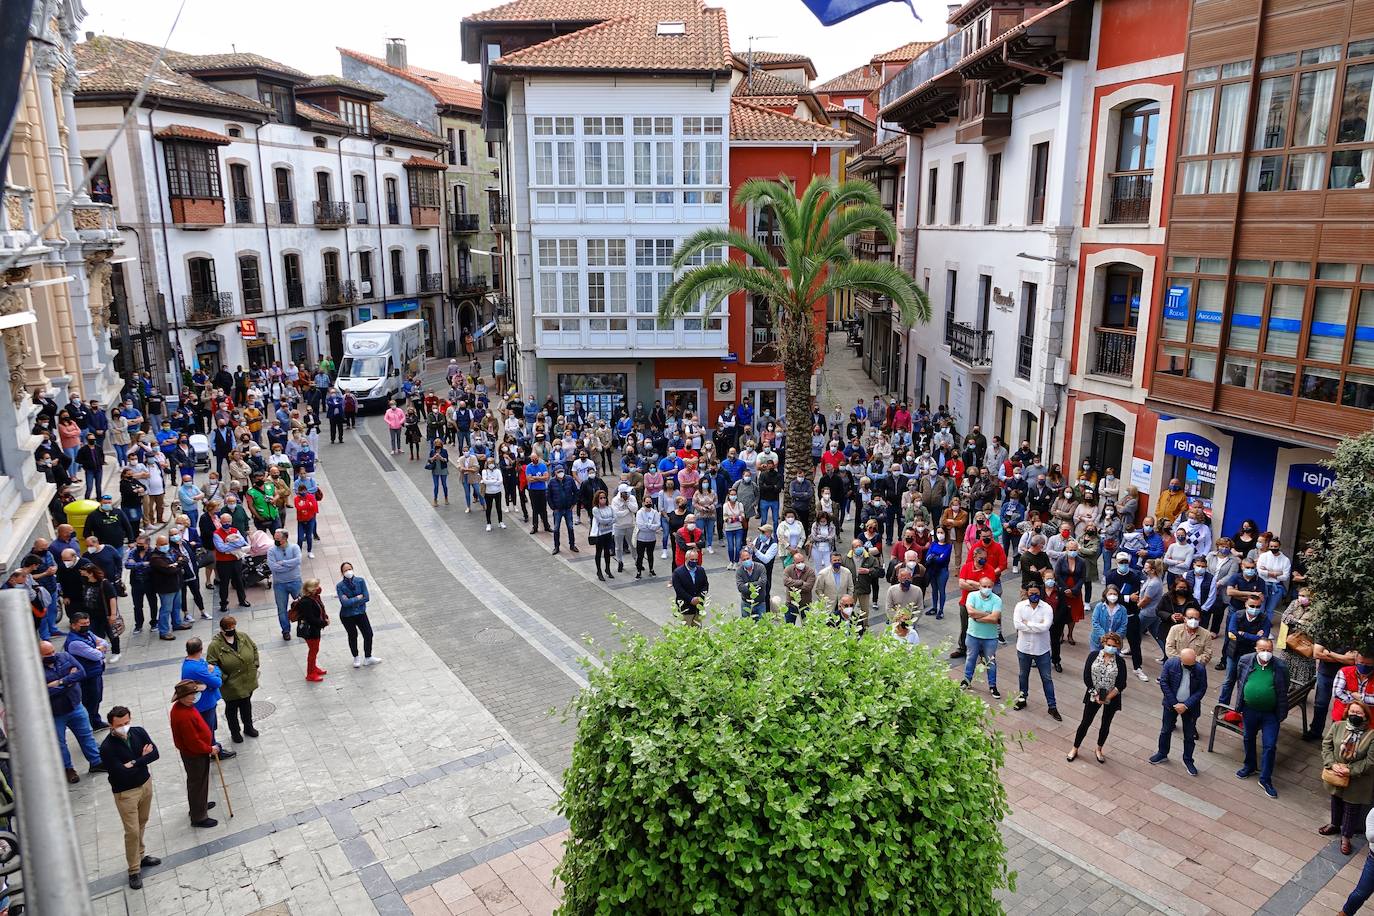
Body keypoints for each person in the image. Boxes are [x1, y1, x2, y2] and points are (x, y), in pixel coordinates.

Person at [99, 706, 162, 888]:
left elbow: (155, 754)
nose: (124, 727)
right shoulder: (107, 747)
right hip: (126, 793)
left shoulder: (138, 732)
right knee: (132, 831)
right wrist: (142, 758)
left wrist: (134, 762)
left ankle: (141, 855)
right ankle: (134, 870)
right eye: (119, 725)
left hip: (145, 784)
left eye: (126, 722)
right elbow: (121, 773)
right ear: (111, 725)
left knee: (142, 822)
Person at [43, 639, 106, 783]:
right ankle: (68, 769)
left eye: (53, 651)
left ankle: (96, 762)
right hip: (55, 713)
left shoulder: (64, 657)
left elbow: (81, 673)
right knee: (60, 743)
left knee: (86, 735)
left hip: (75, 706)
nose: (52, 655)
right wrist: (69, 680)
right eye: (47, 654)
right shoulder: (35, 670)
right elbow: (42, 691)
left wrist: (60, 682)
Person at [1234, 637, 1289, 798]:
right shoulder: (1245, 660)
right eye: (1263, 650)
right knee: (1248, 738)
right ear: (1256, 649)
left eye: (1269, 650)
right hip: (1249, 710)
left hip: (1270, 713)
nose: (1266, 653)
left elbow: (1284, 687)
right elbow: (1240, 680)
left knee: (1270, 745)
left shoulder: (1280, 666)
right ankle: (1249, 766)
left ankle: (1265, 778)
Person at [1322, 699, 1374, 855]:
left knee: (1352, 809)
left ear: (1365, 715)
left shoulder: (1371, 736)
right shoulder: (1338, 726)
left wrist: (1349, 770)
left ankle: (1346, 837)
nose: (1355, 715)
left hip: (1358, 779)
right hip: (1336, 774)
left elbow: (1370, 761)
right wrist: (1332, 764)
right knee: (1336, 800)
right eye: (1352, 712)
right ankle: (1334, 824)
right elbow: (1327, 745)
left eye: (1358, 712)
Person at [1068, 632, 1127, 764]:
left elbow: (1122, 683)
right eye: (1109, 645)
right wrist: (1095, 694)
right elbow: (1086, 677)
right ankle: (1075, 747)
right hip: (1093, 695)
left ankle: (1099, 749)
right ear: (1104, 643)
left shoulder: (1120, 662)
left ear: (1118, 646)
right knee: (1085, 722)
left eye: (1114, 646)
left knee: (1106, 724)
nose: (1111, 648)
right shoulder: (1093, 656)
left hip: (1111, 697)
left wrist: (1107, 697)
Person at [1148, 648, 1208, 776]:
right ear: (1180, 659)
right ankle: (1162, 753)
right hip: (1171, 705)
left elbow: (1202, 689)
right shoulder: (1170, 664)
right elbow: (1164, 682)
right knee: (1165, 730)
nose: (1190, 667)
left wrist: (1186, 705)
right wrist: (1174, 703)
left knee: (1189, 735)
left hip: (1190, 707)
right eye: (1187, 665)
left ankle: (1188, 760)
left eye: (1192, 664)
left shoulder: (1200, 669)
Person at [168, 679, 219, 827]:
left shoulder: (184, 707)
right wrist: (210, 749)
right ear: (184, 697)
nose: (196, 696)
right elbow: (193, 742)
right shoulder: (183, 716)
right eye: (193, 694)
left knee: (199, 782)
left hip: (195, 752)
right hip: (195, 755)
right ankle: (199, 817)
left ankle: (200, 805)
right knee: (197, 783)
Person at [206, 616, 260, 743]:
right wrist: (225, 678)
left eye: (233, 627)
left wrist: (255, 664)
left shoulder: (243, 637)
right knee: (231, 709)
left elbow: (254, 648)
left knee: (246, 704)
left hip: (247, 681)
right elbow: (211, 665)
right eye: (228, 628)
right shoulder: (215, 646)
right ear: (222, 629)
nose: (231, 630)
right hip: (230, 686)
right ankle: (235, 732)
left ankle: (248, 727)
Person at [180, 637, 235, 760]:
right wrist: (214, 671)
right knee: (207, 729)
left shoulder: (194, 662)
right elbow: (217, 682)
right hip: (204, 705)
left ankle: (213, 748)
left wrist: (211, 672)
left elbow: (210, 669)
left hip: (206, 702)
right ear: (200, 649)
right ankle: (214, 751)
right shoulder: (197, 668)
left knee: (210, 728)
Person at [1013, 582, 1060, 720]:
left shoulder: (1047, 608)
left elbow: (1045, 627)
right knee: (1023, 675)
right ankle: (1022, 699)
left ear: (1041, 593)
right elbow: (1017, 625)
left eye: (1036, 594)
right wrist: (1036, 626)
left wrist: (1028, 623)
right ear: (1027, 593)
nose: (1034, 596)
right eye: (1031, 593)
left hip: (1042, 649)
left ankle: (1052, 706)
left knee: (1047, 678)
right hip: (1024, 648)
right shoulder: (1020, 606)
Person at [64, 611, 110, 730]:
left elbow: (105, 643)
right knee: (90, 701)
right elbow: (96, 655)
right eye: (83, 624)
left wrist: (98, 648)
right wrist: (99, 649)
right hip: (87, 676)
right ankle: (90, 724)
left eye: (87, 622)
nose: (86, 625)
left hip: (95, 673)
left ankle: (95, 721)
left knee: (97, 698)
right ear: (73, 625)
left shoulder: (87, 633)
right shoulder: (75, 642)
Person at [961, 576, 1001, 697]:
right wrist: (987, 614)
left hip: (990, 637)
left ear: (992, 587)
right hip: (973, 634)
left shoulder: (997, 599)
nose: (986, 589)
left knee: (991, 662)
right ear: (979, 586)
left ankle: (992, 686)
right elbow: (970, 612)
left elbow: (995, 618)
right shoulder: (972, 596)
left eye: (989, 586)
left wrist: (978, 618)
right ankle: (966, 680)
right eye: (984, 586)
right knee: (970, 659)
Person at [336, 562, 380, 668]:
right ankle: (356, 657)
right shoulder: (340, 586)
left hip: (360, 612)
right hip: (347, 615)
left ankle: (368, 657)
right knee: (353, 635)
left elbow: (366, 597)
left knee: (368, 634)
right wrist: (357, 598)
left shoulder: (360, 581)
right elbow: (345, 603)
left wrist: (351, 600)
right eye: (345, 570)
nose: (348, 572)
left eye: (349, 569)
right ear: (342, 573)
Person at [211, 513, 251, 614]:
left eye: (228, 522)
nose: (227, 524)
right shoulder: (216, 533)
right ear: (221, 522)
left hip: (236, 560)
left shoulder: (235, 530)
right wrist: (235, 545)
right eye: (224, 522)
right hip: (223, 563)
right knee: (224, 584)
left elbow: (242, 542)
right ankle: (223, 603)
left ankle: (242, 600)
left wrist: (228, 544)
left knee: (239, 581)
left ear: (231, 521)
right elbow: (221, 548)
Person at [267, 529, 302, 641]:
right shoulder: (271, 551)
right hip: (279, 584)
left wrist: (283, 563)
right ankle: (286, 631)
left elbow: (298, 560)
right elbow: (273, 567)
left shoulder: (294, 547)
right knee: (282, 609)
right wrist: (290, 567)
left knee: (302, 604)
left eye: (278, 539)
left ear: (285, 538)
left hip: (295, 581)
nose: (276, 541)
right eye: (275, 538)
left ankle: (303, 625)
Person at [293, 579, 330, 681]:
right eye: (316, 586)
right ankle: (310, 673)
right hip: (310, 630)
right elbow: (311, 618)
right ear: (310, 589)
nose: (318, 588)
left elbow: (320, 610)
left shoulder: (315, 597)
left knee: (315, 650)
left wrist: (325, 617)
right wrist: (324, 623)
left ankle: (314, 668)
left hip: (315, 628)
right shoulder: (306, 602)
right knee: (313, 651)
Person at [671, 549, 709, 626]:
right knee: (685, 630)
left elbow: (705, 585)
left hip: (698, 608)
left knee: (697, 630)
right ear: (686, 559)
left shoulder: (701, 570)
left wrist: (699, 598)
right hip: (685, 608)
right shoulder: (677, 573)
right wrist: (690, 599)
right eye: (692, 559)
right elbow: (679, 590)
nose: (694, 561)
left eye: (696, 560)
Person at [548, 464, 579, 555]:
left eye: (562, 471)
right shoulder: (552, 482)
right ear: (555, 473)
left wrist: (573, 504)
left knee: (570, 527)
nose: (560, 473)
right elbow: (548, 496)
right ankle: (556, 547)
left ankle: (572, 545)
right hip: (557, 510)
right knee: (556, 528)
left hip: (568, 508)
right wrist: (553, 507)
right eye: (558, 472)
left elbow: (576, 492)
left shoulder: (569, 479)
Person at [783, 550, 815, 624]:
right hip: (791, 604)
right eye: (798, 562)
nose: (801, 564)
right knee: (789, 626)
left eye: (802, 562)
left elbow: (808, 587)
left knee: (807, 626)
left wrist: (792, 586)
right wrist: (801, 582)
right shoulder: (788, 569)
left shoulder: (810, 571)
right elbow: (785, 582)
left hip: (805, 604)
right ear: (793, 562)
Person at [634, 497, 661, 578]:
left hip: (651, 538)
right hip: (641, 538)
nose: (648, 503)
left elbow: (658, 525)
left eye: (650, 502)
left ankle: (651, 569)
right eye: (647, 502)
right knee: (640, 555)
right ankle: (638, 571)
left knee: (650, 554)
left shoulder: (655, 512)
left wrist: (648, 525)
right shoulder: (639, 512)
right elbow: (640, 526)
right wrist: (652, 527)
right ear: (643, 503)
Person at [481, 457, 506, 531]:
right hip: (488, 493)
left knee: (499, 508)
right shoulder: (484, 471)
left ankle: (500, 522)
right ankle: (488, 523)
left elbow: (500, 481)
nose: (491, 464)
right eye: (489, 463)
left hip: (497, 492)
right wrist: (495, 481)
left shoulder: (498, 471)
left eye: (492, 462)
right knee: (489, 508)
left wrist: (491, 481)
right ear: (487, 463)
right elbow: (485, 481)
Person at [427, 438, 450, 506]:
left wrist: (441, 458)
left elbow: (446, 460)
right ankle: (435, 499)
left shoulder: (444, 451)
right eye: (436, 445)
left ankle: (446, 497)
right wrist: (433, 457)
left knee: (444, 485)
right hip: (435, 470)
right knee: (436, 486)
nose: (437, 447)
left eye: (439, 445)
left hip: (443, 470)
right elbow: (429, 460)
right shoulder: (432, 451)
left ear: (441, 445)